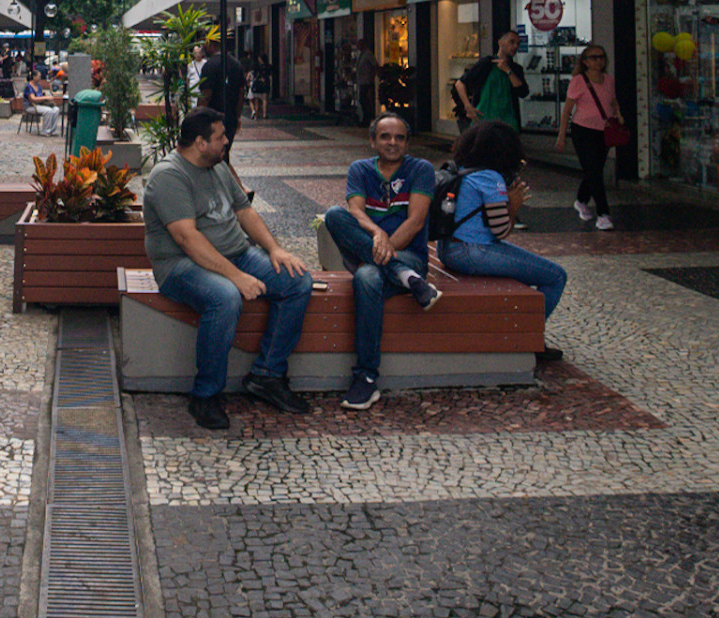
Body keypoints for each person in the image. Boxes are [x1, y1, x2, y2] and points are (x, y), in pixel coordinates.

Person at [145, 109, 314, 430]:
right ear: (199, 142)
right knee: (225, 297)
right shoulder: (169, 176)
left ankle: (267, 375)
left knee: (297, 281)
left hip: (237, 254)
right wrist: (235, 277)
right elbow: (187, 238)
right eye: (220, 137)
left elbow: (245, 211)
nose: (227, 142)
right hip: (180, 265)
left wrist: (275, 249)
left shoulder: (217, 166)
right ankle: (205, 395)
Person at [322, 113, 444, 410]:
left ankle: (365, 377)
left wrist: (384, 250)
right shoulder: (360, 169)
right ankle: (407, 280)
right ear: (372, 140)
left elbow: (415, 222)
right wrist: (377, 232)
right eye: (385, 137)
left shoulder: (421, 169)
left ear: (407, 142)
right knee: (334, 216)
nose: (392, 143)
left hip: (409, 256)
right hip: (379, 254)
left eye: (399, 137)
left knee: (366, 277)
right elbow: (356, 211)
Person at [436, 119, 566, 362]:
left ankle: (526, 332)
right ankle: (530, 338)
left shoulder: (462, 169)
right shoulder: (490, 178)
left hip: (448, 249)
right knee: (556, 276)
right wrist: (513, 206)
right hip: (472, 252)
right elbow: (501, 231)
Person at [555, 44, 620, 230]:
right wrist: (562, 135)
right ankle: (603, 214)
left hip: (603, 130)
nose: (598, 61)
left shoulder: (609, 80)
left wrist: (618, 115)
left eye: (601, 57)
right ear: (585, 61)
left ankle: (582, 200)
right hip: (582, 131)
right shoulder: (578, 81)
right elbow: (567, 110)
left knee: (594, 170)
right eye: (593, 57)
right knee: (593, 170)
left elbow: (613, 101)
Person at [196, 35, 250, 193]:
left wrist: (198, 117)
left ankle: (240, 190)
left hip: (213, 121)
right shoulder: (236, 64)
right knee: (221, 155)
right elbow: (241, 94)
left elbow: (205, 95)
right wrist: (237, 116)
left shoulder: (209, 66)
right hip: (231, 119)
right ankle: (238, 190)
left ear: (212, 44)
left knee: (218, 156)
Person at [456, 31, 528, 131]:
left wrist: (508, 71)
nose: (515, 46)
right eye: (511, 42)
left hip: (508, 122)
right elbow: (460, 83)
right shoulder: (486, 64)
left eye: (518, 44)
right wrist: (467, 105)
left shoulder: (515, 69)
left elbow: (523, 92)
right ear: (501, 43)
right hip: (483, 120)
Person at [355, 43, 378, 125]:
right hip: (362, 81)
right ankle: (365, 118)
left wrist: (372, 77)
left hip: (366, 81)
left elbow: (375, 65)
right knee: (362, 100)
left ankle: (367, 118)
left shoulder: (368, 54)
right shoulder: (362, 54)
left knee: (364, 100)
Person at [247, 57, 269, 121]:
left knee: (254, 100)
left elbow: (247, 79)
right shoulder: (264, 69)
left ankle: (255, 112)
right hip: (262, 86)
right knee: (263, 100)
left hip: (255, 87)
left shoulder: (252, 72)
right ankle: (263, 114)